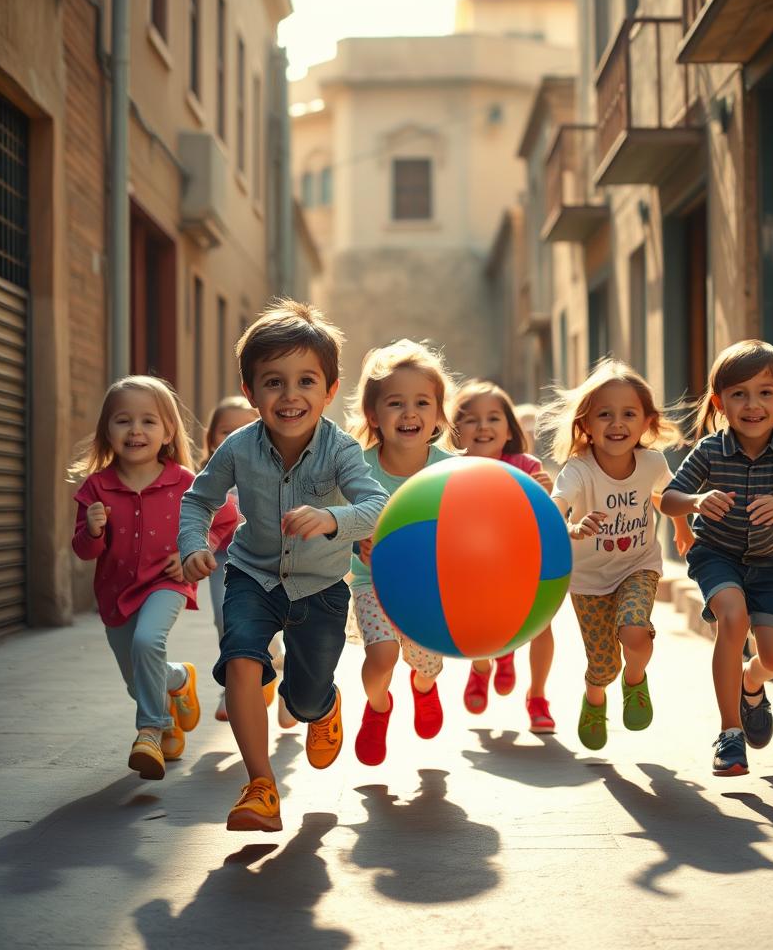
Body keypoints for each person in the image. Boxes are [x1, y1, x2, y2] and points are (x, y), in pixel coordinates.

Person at [178, 298, 388, 831]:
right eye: (273, 382)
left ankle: (323, 706)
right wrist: (192, 545)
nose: (290, 395)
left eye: (306, 381)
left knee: (306, 697)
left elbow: (377, 506)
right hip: (252, 575)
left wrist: (332, 518)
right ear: (250, 392)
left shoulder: (341, 451)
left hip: (320, 588)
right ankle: (260, 786)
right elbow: (197, 500)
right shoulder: (237, 447)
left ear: (330, 390)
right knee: (243, 660)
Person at [660, 340, 773, 777]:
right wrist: (697, 501)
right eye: (739, 394)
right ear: (721, 403)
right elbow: (668, 500)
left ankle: (752, 683)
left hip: (768, 566)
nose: (752, 404)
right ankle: (730, 735)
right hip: (714, 555)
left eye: (765, 392)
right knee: (732, 619)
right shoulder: (709, 451)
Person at [70, 376, 237, 780]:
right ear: (106, 431)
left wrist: (193, 550)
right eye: (123, 421)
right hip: (115, 590)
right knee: (137, 674)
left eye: (148, 421)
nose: (136, 431)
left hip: (168, 581)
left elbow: (227, 520)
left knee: (148, 641)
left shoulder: (185, 481)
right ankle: (178, 678)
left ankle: (152, 729)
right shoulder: (97, 487)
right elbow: (84, 551)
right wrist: (91, 530)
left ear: (167, 431)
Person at [540, 360, 693, 752]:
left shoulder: (652, 462)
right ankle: (595, 696)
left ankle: (636, 680)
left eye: (628, 414)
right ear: (586, 425)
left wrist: (681, 526)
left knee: (635, 630)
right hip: (588, 581)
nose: (617, 423)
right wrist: (569, 528)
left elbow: (664, 495)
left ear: (646, 423)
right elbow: (558, 503)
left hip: (637, 565)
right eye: (604, 414)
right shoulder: (578, 470)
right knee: (604, 664)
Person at [346, 340, 458, 765]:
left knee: (425, 663)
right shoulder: (357, 468)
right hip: (371, 583)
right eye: (395, 403)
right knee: (382, 656)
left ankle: (424, 687)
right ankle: (378, 709)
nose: (409, 413)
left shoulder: (451, 471)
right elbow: (337, 519)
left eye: (422, 402)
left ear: (437, 414)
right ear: (373, 415)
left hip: (429, 591)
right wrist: (357, 538)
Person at [452, 380, 557, 733]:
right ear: (455, 429)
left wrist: (543, 495)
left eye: (493, 418)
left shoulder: (526, 465)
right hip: (474, 567)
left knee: (541, 625)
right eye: (471, 419)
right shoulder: (448, 470)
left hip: (523, 562)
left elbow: (549, 517)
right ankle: (483, 666)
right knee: (479, 623)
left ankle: (538, 696)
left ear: (509, 428)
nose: (483, 426)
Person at [200, 396, 290, 727]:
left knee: (267, 623)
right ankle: (233, 684)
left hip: (265, 559)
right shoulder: (208, 476)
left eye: (245, 428)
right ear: (211, 440)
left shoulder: (271, 468)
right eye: (225, 431)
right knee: (226, 622)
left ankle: (277, 662)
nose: (235, 437)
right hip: (222, 560)